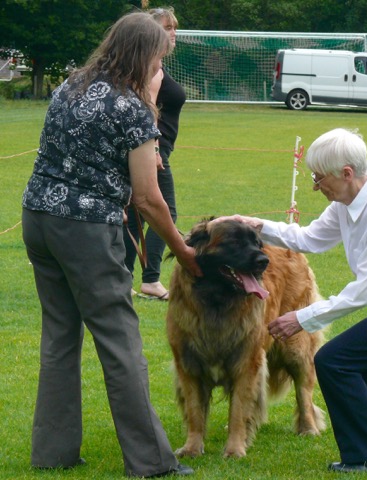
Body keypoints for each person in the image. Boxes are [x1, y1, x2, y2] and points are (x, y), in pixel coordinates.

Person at [214, 128, 367, 474]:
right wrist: (254, 225)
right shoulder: (346, 203)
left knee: (334, 362)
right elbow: (309, 239)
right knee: (351, 372)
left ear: (346, 173)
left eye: (319, 177)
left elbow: (361, 293)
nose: (315, 186)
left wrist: (301, 318)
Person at [21, 11, 201, 477]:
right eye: (158, 58)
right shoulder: (132, 108)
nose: (160, 67)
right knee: (120, 342)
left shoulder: (69, 86)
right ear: (143, 55)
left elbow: (71, 156)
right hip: (84, 229)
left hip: (38, 218)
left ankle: (53, 454)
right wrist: (183, 250)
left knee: (60, 337)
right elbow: (149, 198)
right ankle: (151, 462)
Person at [124, 6, 185, 300]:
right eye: (166, 27)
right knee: (165, 212)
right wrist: (156, 149)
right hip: (152, 152)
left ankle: (124, 278)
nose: (172, 33)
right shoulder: (153, 69)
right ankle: (150, 279)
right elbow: (146, 108)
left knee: (136, 214)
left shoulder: (154, 65)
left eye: (174, 28)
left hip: (154, 149)